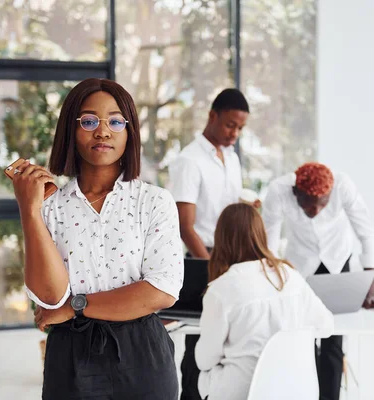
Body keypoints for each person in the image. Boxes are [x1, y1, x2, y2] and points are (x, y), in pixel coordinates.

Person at [11, 78, 184, 400]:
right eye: (89, 121)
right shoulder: (51, 208)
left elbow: (162, 291)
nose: (102, 131)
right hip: (71, 355)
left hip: (142, 353)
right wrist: (30, 211)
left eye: (116, 121)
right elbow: (49, 299)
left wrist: (76, 306)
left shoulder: (153, 201)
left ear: (129, 131)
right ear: (70, 131)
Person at [262, 162, 374, 400]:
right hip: (299, 267)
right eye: (309, 205)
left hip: (338, 263)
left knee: (333, 341)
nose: (316, 211)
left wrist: (371, 291)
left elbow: (367, 234)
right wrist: (272, 287)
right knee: (300, 340)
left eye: (322, 204)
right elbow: (269, 245)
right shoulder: (279, 191)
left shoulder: (343, 186)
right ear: (296, 192)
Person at [195, 203, 334, 400]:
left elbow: (205, 360)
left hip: (244, 393)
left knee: (203, 375)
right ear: (261, 234)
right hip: (295, 390)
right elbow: (326, 325)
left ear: (221, 239)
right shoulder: (290, 275)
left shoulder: (220, 289)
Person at [169, 88, 249, 400]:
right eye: (230, 125)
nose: (235, 134)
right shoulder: (188, 161)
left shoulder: (231, 158)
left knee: (227, 336)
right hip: (202, 255)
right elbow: (184, 225)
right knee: (199, 337)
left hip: (232, 255)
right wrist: (210, 269)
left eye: (241, 128)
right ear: (212, 116)